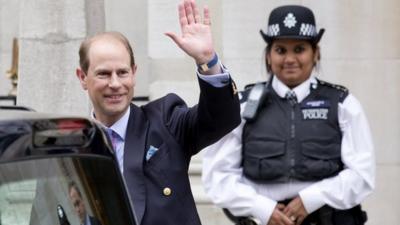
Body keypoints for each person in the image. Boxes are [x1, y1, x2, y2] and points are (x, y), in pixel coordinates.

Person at [202, 5, 375, 225]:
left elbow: (362, 176)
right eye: (281, 50)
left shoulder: (342, 104)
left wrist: (312, 198)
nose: (290, 59)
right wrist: (263, 208)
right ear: (268, 55)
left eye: (300, 49)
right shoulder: (243, 106)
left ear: (316, 53)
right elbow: (217, 177)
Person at [74, 0, 240, 224]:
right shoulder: (72, 145)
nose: (115, 84)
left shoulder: (165, 120)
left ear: (134, 73)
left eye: (122, 72)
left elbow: (221, 119)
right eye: (103, 74)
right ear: (83, 77)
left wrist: (207, 61)